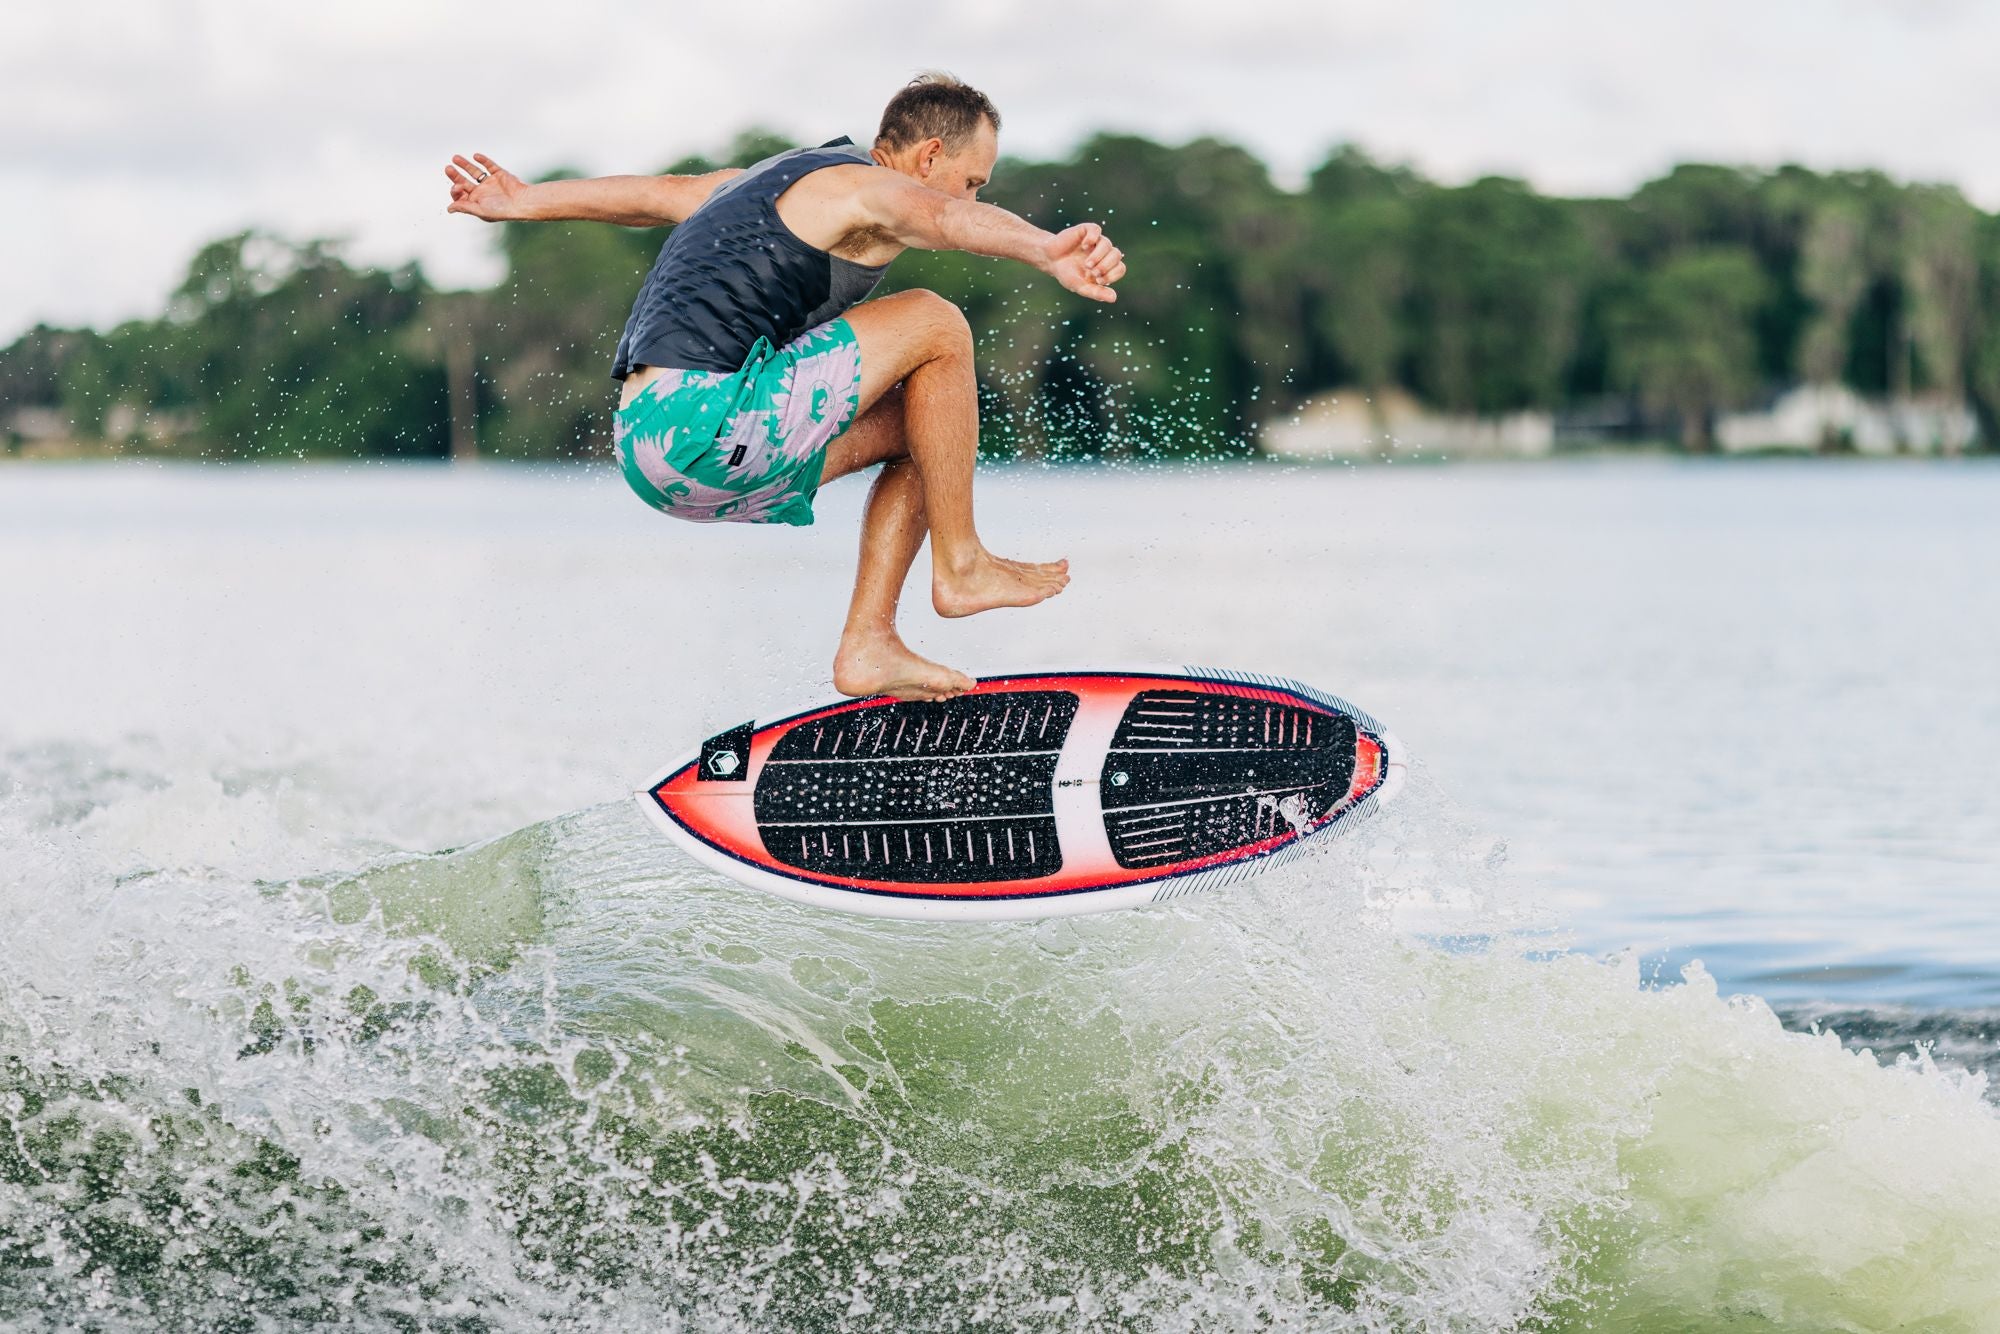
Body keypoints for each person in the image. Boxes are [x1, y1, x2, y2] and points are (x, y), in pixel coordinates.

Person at [443, 73, 1126, 701]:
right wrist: (1046, 247)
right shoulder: (870, 188)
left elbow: (658, 195)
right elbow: (949, 221)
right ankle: (963, 563)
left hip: (650, 449)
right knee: (937, 323)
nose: (974, 197)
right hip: (708, 420)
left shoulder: (774, 178)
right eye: (973, 180)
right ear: (929, 157)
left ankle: (869, 646)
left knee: (929, 425)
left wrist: (527, 201)